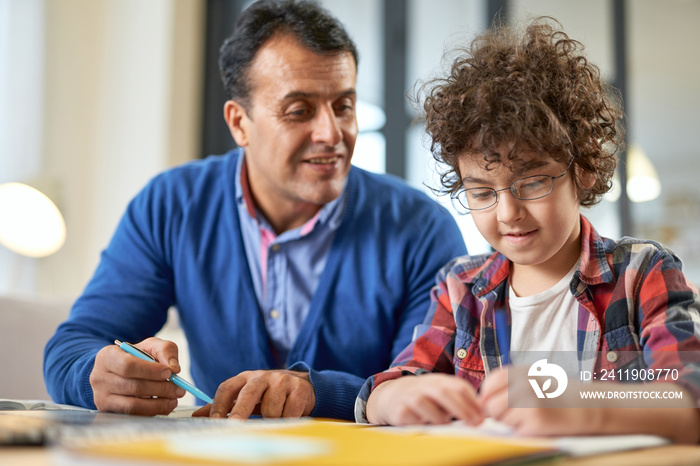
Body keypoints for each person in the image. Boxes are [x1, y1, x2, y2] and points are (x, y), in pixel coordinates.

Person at [43, 0, 466, 421]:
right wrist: (98, 373)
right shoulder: (171, 205)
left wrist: (318, 393)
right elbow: (71, 348)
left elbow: (434, 385)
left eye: (344, 106)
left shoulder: (422, 229)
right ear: (239, 123)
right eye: (299, 110)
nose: (331, 133)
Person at [355, 18, 700, 443]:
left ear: (584, 169)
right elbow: (390, 386)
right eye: (482, 193)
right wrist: (393, 398)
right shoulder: (461, 289)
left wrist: (583, 408)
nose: (508, 213)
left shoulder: (642, 272)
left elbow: (688, 399)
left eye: (533, 183)